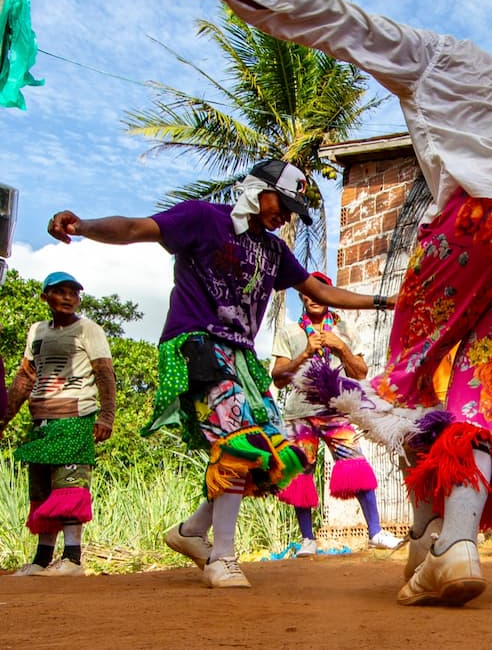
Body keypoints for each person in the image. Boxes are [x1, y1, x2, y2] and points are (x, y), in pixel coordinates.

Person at [132, 0, 492, 607]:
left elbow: (326, 17)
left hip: (482, 222)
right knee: (476, 404)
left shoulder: (437, 54)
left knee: (399, 395)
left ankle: (431, 540)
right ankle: (449, 547)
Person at [46, 159, 381, 588]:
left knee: (275, 456)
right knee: (238, 442)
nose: (285, 216)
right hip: (197, 345)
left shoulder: (275, 251)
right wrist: (83, 225)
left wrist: (382, 301)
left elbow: (321, 291)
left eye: (292, 210)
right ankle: (223, 557)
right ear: (257, 190)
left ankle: (189, 532)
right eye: (282, 203)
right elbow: (134, 229)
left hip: (241, 357)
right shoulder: (204, 218)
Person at [271, 271, 403, 555]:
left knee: (355, 463)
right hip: (299, 414)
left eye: (321, 290)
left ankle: (376, 532)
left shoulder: (345, 330)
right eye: (309, 292)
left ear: (327, 295)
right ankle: (307, 540)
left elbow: (361, 373)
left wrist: (341, 348)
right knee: (301, 473)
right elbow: (278, 378)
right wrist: (305, 354)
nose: (314, 297)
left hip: (336, 410)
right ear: (303, 296)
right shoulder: (288, 331)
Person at [3, 271, 116, 577]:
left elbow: (104, 373)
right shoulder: (37, 331)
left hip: (75, 416)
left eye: (73, 292)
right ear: (45, 297)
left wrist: (106, 415)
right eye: (60, 291)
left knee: (69, 486)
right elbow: (26, 377)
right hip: (40, 420)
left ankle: (73, 559)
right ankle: (41, 560)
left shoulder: (87, 329)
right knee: (40, 491)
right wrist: (4, 417)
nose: (68, 297)